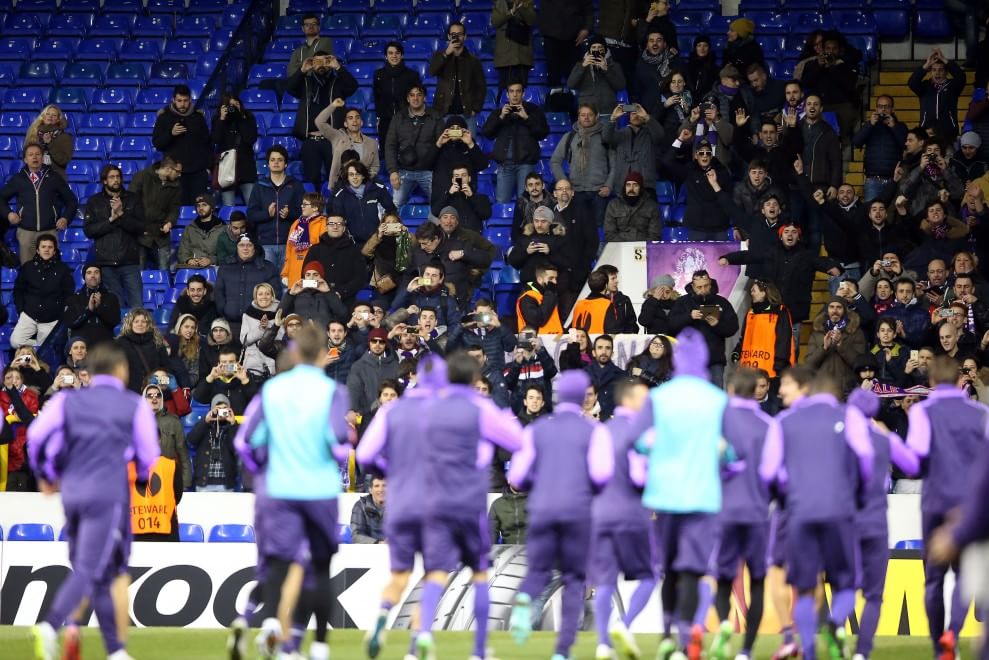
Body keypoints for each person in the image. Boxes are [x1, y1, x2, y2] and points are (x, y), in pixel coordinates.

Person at [27, 343, 159, 660]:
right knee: (90, 567)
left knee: (101, 571)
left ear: (90, 373)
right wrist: (141, 476)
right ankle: (50, 624)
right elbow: (148, 454)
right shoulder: (133, 404)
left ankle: (116, 651)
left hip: (72, 492)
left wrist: (46, 474)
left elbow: (37, 437)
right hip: (108, 492)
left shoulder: (66, 401)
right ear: (122, 371)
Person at [235, 324, 354, 660]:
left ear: (294, 353)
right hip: (318, 488)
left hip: (280, 487)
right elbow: (338, 440)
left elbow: (248, 441)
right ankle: (315, 646)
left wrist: (261, 469)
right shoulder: (334, 392)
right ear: (322, 355)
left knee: (279, 562)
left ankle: (271, 623)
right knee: (319, 568)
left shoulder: (272, 390)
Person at [622, 328, 728, 659]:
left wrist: (654, 449)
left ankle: (669, 637)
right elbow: (733, 451)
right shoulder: (717, 399)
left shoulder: (659, 397)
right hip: (702, 496)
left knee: (667, 568)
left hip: (664, 496)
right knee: (693, 569)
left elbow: (635, 439)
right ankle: (688, 636)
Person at [759, 371, 876, 660]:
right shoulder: (849, 416)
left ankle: (809, 652)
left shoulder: (784, 421)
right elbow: (866, 458)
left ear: (807, 391)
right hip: (840, 509)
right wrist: (858, 493)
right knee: (845, 584)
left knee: (805, 588)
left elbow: (768, 472)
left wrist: (784, 495)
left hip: (799, 511)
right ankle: (835, 625)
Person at [506, 369, 611, 659]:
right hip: (578, 511)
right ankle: (563, 650)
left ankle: (524, 600)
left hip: (542, 508)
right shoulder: (594, 431)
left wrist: (536, 483)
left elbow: (516, 476)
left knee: (538, 571)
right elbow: (603, 474)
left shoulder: (537, 429)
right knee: (575, 579)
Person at [356, 356, 446, 657]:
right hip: (433, 502)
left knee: (399, 575)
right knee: (433, 574)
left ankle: (382, 616)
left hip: (400, 502)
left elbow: (365, 454)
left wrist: (387, 467)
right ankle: (418, 640)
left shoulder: (392, 411)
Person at [904, 355, 989, 658]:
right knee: (966, 574)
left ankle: (939, 647)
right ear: (959, 380)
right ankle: (954, 631)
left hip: (935, 502)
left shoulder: (923, 412)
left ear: (930, 383)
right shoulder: (981, 413)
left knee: (933, 578)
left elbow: (914, 460)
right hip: (970, 506)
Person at [845, 388, 920, 660]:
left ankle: (834, 628)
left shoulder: (839, 438)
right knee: (875, 595)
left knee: (845, 587)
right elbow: (912, 465)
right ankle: (862, 653)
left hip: (846, 522)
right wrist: (887, 437)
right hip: (876, 522)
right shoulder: (882, 438)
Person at [708, 368, 778, 660]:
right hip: (757, 513)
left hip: (724, 512)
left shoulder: (717, 422)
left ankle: (724, 624)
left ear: (732, 390)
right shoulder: (769, 424)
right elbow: (775, 473)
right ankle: (747, 650)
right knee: (758, 581)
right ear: (756, 391)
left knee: (723, 579)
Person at [588, 377, 654, 660]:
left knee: (605, 581)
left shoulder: (600, 431)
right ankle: (624, 626)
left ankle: (603, 644)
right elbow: (641, 476)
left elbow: (591, 474)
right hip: (631, 514)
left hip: (601, 514)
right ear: (628, 399)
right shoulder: (642, 432)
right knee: (650, 575)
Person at [286, 49, 358, 188]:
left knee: (338, 177)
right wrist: (302, 70)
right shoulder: (306, 82)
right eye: (317, 62)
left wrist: (338, 67)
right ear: (312, 63)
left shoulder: (337, 82)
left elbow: (353, 86)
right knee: (312, 179)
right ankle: (315, 206)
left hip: (333, 139)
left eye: (324, 61)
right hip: (311, 140)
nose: (321, 65)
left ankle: (336, 206)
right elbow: (289, 88)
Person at [0, 143, 77, 263]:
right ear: (25, 159)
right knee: (27, 271)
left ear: (42, 157)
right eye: (31, 155)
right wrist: (9, 214)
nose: (34, 157)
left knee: (51, 272)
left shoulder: (54, 177)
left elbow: (72, 201)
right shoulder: (18, 179)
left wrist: (65, 218)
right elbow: (1, 198)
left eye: (37, 154)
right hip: (26, 233)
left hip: (49, 232)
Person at [83, 164, 146, 309]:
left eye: (118, 177)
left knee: (137, 307)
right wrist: (111, 219)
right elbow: (89, 231)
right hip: (106, 263)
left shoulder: (133, 199)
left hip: (130, 262)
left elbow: (140, 227)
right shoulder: (94, 201)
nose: (116, 180)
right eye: (112, 177)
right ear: (104, 181)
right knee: (115, 308)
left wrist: (121, 215)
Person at [668, 270, 740, 387]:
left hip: (714, 361)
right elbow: (670, 326)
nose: (702, 290)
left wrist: (717, 324)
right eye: (699, 287)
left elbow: (733, 328)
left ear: (710, 284)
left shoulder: (722, 303)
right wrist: (689, 316)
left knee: (716, 400)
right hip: (688, 360)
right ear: (692, 286)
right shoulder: (682, 303)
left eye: (706, 286)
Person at [481, 80, 550, 203]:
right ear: (507, 94)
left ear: (523, 94)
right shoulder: (499, 112)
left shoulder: (533, 110)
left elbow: (543, 133)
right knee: (501, 201)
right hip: (505, 165)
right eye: (511, 91)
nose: (515, 94)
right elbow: (487, 133)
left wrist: (527, 118)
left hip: (526, 164)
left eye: (518, 91)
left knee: (526, 203)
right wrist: (501, 117)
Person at [550, 105, 613, 228]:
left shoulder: (605, 137)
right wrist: (565, 184)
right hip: (576, 193)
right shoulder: (570, 136)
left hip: (599, 193)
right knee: (576, 229)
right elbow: (555, 161)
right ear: (578, 117)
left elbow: (615, 164)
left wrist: (609, 186)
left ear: (597, 116)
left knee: (598, 230)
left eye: (590, 114)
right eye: (583, 115)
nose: (586, 117)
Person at [385, 85, 445, 207]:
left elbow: (442, 147)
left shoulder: (436, 117)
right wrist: (393, 171)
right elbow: (390, 145)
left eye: (419, 95)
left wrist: (440, 172)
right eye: (412, 95)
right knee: (394, 205)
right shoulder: (398, 117)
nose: (415, 98)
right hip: (404, 171)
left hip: (429, 171)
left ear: (425, 98)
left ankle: (435, 227)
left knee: (440, 205)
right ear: (407, 99)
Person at [11, 234, 74, 349]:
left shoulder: (63, 269)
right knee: (15, 342)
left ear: (54, 251)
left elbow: (69, 292)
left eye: (50, 247)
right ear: (38, 250)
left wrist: (61, 312)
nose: (46, 249)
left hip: (51, 318)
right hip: (29, 315)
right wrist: (21, 310)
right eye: (43, 246)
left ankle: (38, 352)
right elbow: (18, 291)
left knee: (47, 351)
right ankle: (39, 346)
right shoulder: (28, 267)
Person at [662, 137, 732, 241]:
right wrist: (680, 139)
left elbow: (729, 199)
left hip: (719, 228)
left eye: (708, 153)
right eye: (701, 153)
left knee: (721, 257)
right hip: (696, 229)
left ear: (711, 156)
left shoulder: (722, 172)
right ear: (695, 155)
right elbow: (667, 161)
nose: (704, 156)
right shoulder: (689, 171)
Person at [151, 84, 211, 204]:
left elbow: (207, 143)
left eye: (185, 101)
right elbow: (157, 143)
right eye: (179, 101)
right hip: (174, 173)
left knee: (199, 208)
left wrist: (208, 167)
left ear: (190, 100)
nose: (182, 104)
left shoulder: (198, 117)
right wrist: (170, 133)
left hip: (198, 172)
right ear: (173, 100)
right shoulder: (164, 117)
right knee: (176, 209)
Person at [248, 145, 306, 267]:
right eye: (272, 160)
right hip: (266, 244)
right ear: (268, 164)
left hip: (290, 243)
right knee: (268, 284)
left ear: (285, 164)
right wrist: (267, 214)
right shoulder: (259, 186)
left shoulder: (296, 185)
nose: (276, 163)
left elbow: (305, 213)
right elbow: (251, 214)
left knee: (286, 283)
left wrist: (290, 214)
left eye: (280, 160)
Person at [732, 279, 795, 384]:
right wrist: (737, 351)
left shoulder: (780, 311)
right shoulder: (751, 312)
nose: (751, 293)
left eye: (753, 290)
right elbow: (745, 337)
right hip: (749, 371)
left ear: (764, 293)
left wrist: (779, 364)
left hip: (771, 371)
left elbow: (783, 340)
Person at [429, 21, 487, 134]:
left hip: (467, 114)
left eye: (459, 34)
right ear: (448, 36)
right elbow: (432, 71)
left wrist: (475, 109)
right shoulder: (440, 56)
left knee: (469, 148)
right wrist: (446, 53)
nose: (456, 37)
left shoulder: (473, 61)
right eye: (453, 34)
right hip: (444, 112)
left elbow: (481, 87)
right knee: (444, 148)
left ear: (465, 37)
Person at [800, 34, 860, 142]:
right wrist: (818, 67)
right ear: (822, 49)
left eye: (834, 49)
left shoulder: (845, 66)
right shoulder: (812, 64)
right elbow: (806, 83)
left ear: (839, 50)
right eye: (828, 48)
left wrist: (833, 68)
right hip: (820, 106)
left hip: (841, 106)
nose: (831, 52)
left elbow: (849, 86)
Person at [214, 234, 282, 329]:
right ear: (236, 248)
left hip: (258, 325)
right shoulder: (225, 268)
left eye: (249, 245)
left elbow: (276, 295)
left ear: (255, 248)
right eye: (241, 245)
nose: (245, 248)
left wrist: (264, 316)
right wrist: (223, 310)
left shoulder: (268, 268)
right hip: (230, 323)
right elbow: (218, 293)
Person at [315, 99, 380, 191]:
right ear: (345, 124)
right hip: (340, 186)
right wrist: (333, 106)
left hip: (363, 187)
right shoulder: (338, 137)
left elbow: (375, 166)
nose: (354, 120)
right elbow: (319, 122)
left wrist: (365, 178)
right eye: (350, 118)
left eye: (357, 117)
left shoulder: (372, 143)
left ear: (361, 122)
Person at [304, 215, 369, 307]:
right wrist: (321, 290)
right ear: (326, 227)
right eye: (331, 224)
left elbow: (360, 278)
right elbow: (305, 277)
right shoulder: (315, 250)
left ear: (344, 228)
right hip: (318, 300)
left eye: (339, 224)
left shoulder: (354, 250)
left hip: (346, 301)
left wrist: (341, 293)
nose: (335, 226)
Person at [804, 297, 867, 392]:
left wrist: (841, 344)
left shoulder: (856, 332)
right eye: (831, 307)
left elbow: (859, 364)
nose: (835, 310)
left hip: (847, 387)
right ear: (827, 310)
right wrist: (824, 348)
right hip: (823, 387)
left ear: (845, 310)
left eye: (839, 307)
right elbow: (809, 363)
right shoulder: (817, 333)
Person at [129, 156, 181, 270]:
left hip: (161, 235)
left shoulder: (176, 185)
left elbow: (174, 208)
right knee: (139, 273)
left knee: (164, 272)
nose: (179, 175)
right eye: (177, 171)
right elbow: (130, 202)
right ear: (168, 169)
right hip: (141, 234)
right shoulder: (142, 177)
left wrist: (169, 222)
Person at [854, 96, 909, 202]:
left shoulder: (900, 126)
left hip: (894, 180)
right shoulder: (869, 125)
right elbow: (856, 142)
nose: (883, 109)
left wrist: (893, 126)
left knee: (894, 214)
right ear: (876, 109)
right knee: (872, 213)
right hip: (873, 180)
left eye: (886, 106)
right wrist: (870, 124)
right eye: (880, 106)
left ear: (893, 109)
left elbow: (905, 145)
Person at [328, 161, 396, 246]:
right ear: (347, 177)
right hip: (352, 244)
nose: (355, 177)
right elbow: (337, 220)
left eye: (358, 174)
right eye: (351, 175)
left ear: (363, 176)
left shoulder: (377, 190)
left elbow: (391, 211)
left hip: (378, 241)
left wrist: (383, 230)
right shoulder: (340, 195)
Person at [604, 102, 665, 197]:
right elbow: (607, 137)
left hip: (646, 186)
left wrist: (647, 117)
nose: (636, 115)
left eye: (638, 113)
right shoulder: (620, 134)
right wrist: (613, 119)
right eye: (633, 113)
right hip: (623, 185)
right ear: (628, 116)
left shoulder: (651, 133)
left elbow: (660, 135)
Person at [210, 92, 259, 206]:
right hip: (226, 170)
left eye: (236, 104)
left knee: (252, 207)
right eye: (230, 106)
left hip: (246, 170)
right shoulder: (219, 120)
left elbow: (250, 139)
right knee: (228, 208)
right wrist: (222, 119)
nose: (234, 108)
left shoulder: (248, 118)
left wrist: (241, 118)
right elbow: (215, 139)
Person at [909, 48, 967, 142]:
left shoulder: (952, 86)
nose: (937, 73)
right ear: (930, 71)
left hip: (948, 131)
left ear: (946, 72)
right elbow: (912, 83)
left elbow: (961, 76)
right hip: (926, 130)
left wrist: (944, 60)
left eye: (941, 70)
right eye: (934, 70)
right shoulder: (925, 87)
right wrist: (926, 65)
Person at [142, 383, 192, 492]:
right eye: (150, 396)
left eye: (158, 395)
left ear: (162, 399)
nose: (154, 398)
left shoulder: (173, 421)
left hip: (168, 477)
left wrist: (185, 483)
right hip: (144, 479)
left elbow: (183, 454)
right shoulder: (137, 421)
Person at [372, 41, 423, 144]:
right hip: (385, 121)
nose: (394, 56)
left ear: (402, 55)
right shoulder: (379, 75)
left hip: (407, 119)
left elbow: (417, 98)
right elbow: (377, 97)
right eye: (390, 53)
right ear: (386, 56)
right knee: (386, 152)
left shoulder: (412, 75)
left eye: (397, 53)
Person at [188, 394, 240, 492]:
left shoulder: (232, 428)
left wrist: (233, 424)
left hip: (226, 484)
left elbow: (236, 448)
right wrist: (205, 421)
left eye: (224, 409)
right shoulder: (204, 426)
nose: (221, 412)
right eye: (218, 409)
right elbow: (191, 440)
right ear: (212, 410)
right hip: (204, 483)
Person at [61, 263, 122, 347]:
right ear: (84, 277)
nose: (93, 275)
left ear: (100, 276)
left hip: (105, 350)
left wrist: (100, 308)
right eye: (89, 273)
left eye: (96, 272)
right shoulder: (73, 299)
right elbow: (70, 322)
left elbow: (115, 321)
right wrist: (88, 310)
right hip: (82, 351)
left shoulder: (111, 297)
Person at [0, 366, 40, 491]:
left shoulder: (31, 396)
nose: (13, 381)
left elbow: (30, 421)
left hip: (24, 450)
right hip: (6, 451)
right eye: (9, 378)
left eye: (17, 378)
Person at [278, 261, 347, 332]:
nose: (311, 278)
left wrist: (328, 292)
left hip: (324, 337)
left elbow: (343, 314)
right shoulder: (295, 293)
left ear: (321, 276)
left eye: (315, 274)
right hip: (301, 337)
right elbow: (279, 315)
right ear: (304, 277)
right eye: (308, 275)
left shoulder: (329, 293)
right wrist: (290, 294)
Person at [508, 205, 568, 286]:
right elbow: (513, 262)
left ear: (550, 222)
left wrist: (549, 253)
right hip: (529, 284)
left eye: (543, 221)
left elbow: (566, 264)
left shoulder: (559, 239)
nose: (539, 225)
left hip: (553, 285)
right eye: (536, 221)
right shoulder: (524, 238)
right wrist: (526, 252)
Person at [568, 37, 627, 119]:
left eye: (600, 47)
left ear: (605, 49)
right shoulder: (580, 65)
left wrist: (607, 70)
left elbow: (621, 86)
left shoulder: (614, 66)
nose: (597, 50)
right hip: (587, 113)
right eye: (594, 47)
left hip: (608, 112)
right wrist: (583, 67)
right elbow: (571, 85)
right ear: (589, 50)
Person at [347, 328, 399, 419]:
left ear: (386, 344)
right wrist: (354, 411)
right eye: (374, 341)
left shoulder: (395, 365)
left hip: (392, 416)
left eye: (381, 342)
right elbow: (353, 392)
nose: (377, 345)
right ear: (369, 342)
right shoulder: (358, 366)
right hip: (366, 418)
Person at [538, 0, 592, 87]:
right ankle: (555, 97)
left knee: (574, 78)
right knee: (554, 79)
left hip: (574, 39)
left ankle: (574, 98)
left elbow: (588, 10)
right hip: (551, 37)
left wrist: (587, 29)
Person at [115, 308, 170, 393]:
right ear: (130, 324)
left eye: (143, 321)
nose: (140, 324)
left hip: (153, 393)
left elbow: (166, 368)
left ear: (148, 324)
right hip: (130, 393)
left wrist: (163, 389)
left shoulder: (157, 341)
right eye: (136, 321)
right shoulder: (121, 343)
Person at [193, 346, 258, 415]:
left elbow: (257, 402)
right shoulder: (213, 382)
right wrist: (210, 377)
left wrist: (245, 381)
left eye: (231, 362)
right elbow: (198, 398)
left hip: (240, 424)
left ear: (237, 363)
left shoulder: (246, 380)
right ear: (218, 364)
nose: (227, 365)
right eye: (224, 362)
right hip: (219, 423)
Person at [281, 192, 327, 289]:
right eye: (302, 204)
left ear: (315, 207)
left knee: (309, 300)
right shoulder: (297, 223)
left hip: (312, 276)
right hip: (295, 275)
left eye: (305, 204)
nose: (302, 206)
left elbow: (324, 250)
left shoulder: (323, 224)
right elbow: (289, 250)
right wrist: (285, 273)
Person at [492, 0, 536, 99]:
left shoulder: (526, 2)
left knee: (522, 94)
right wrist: (511, 12)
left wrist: (520, 6)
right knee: (505, 94)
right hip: (504, 59)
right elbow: (495, 21)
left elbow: (531, 20)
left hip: (522, 57)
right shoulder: (499, 2)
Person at [603, 170, 660, 241]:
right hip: (619, 247)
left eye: (635, 185)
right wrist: (625, 247)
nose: (631, 188)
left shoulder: (652, 206)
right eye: (628, 185)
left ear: (640, 188)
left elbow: (654, 235)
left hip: (643, 247)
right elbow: (609, 234)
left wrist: (640, 247)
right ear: (625, 187)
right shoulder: (613, 205)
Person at [635, 28, 681, 114]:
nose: (655, 43)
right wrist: (631, 110)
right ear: (647, 45)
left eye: (659, 40)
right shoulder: (640, 65)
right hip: (648, 114)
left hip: (671, 113)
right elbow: (636, 93)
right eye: (651, 41)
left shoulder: (674, 61)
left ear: (664, 44)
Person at [240, 282, 279, 379]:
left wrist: (268, 327)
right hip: (252, 364)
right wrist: (260, 329)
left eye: (267, 293)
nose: (264, 297)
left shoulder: (279, 313)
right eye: (260, 294)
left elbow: (280, 340)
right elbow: (244, 340)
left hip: (272, 363)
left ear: (272, 296)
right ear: (255, 297)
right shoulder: (248, 314)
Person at [24, 104, 73, 181]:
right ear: (43, 117)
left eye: (54, 115)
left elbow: (63, 160)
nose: (50, 117)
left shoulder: (65, 137)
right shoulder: (33, 134)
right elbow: (27, 157)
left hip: (56, 178)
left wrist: (50, 143)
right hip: (36, 178)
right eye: (48, 114)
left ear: (58, 119)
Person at [176, 192, 225, 268]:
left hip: (214, 268)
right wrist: (188, 260)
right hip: (192, 268)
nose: (200, 208)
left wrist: (210, 260)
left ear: (212, 208)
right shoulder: (189, 228)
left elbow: (227, 255)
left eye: (204, 205)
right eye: (198, 205)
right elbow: (182, 253)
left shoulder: (223, 228)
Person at [571, 270, 623, 335]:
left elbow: (572, 329)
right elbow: (612, 331)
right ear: (606, 285)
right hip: (597, 343)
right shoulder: (607, 304)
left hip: (578, 343)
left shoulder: (579, 304)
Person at [515, 265, 563, 334]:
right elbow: (539, 320)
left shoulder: (547, 295)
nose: (555, 282)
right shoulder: (527, 297)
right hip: (529, 341)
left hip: (550, 340)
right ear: (539, 279)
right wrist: (549, 293)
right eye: (551, 278)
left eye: (556, 278)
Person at [287, 13, 334, 78]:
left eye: (314, 24)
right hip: (302, 85)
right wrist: (312, 64)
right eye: (307, 25)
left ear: (319, 27)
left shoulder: (325, 41)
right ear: (303, 29)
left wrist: (301, 66)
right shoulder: (298, 50)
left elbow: (320, 67)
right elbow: (291, 73)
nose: (311, 26)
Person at [350, 476, 386, 543]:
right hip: (368, 551)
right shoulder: (360, 506)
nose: (381, 489)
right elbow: (356, 536)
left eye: (384, 485)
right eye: (376, 486)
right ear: (370, 490)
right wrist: (378, 543)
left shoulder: (398, 506)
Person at [686, 35, 719, 103]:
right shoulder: (688, 66)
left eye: (705, 45)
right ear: (695, 48)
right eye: (699, 45)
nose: (702, 48)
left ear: (709, 48)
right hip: (690, 101)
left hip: (708, 101)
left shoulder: (715, 68)